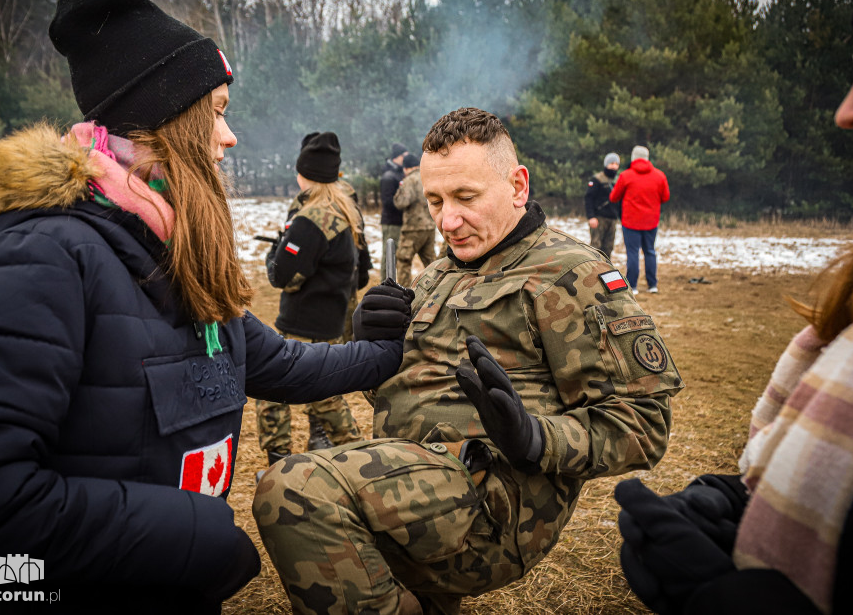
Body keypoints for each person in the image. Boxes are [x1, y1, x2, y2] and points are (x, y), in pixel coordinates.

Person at [0, 0, 407, 615]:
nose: (229, 139)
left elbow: (275, 363)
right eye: (218, 112)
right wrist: (181, 534)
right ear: (161, 121)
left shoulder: (169, 251)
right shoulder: (45, 253)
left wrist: (380, 348)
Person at [253, 106, 684, 614]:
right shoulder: (441, 271)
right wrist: (373, 347)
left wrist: (532, 435)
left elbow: (645, 425)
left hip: (492, 504)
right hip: (415, 477)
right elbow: (415, 387)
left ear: (518, 186)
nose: (447, 220)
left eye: (466, 197)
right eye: (435, 200)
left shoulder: (572, 277)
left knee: (296, 489)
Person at [614, 0, 853, 613]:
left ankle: (642, 280)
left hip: (629, 225)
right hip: (655, 224)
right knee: (650, 253)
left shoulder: (619, 182)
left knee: (632, 257)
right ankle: (653, 279)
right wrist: (741, 504)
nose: (848, 109)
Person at [256, 131, 366, 466]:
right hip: (330, 320)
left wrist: (275, 251)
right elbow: (359, 271)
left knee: (272, 392)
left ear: (304, 173)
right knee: (325, 397)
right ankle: (359, 456)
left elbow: (284, 277)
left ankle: (279, 464)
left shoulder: (310, 219)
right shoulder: (345, 209)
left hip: (303, 323)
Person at [610, 145, 669, 295]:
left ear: (633, 158)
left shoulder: (626, 176)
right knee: (649, 251)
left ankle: (633, 286)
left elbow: (614, 197)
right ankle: (652, 285)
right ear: (647, 158)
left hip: (630, 222)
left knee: (632, 252)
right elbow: (665, 197)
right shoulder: (659, 176)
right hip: (651, 221)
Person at [392, 150, 436, 286]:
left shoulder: (409, 180)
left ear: (407, 168)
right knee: (432, 264)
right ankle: (437, 290)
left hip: (413, 228)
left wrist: (398, 192)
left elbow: (401, 202)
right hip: (429, 226)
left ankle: (403, 294)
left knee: (403, 261)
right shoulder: (428, 177)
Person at [585, 152, 622, 259]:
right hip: (599, 218)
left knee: (608, 248)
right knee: (595, 248)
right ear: (606, 164)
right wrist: (591, 216)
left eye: (616, 164)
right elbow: (589, 198)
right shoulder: (597, 179)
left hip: (612, 219)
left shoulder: (618, 180)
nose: (614, 166)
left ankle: (606, 271)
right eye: (611, 163)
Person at [380, 141, 407, 273]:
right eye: (404, 156)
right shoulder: (388, 177)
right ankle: (384, 285)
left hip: (400, 222)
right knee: (388, 255)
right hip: (391, 223)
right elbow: (387, 201)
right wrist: (404, 205)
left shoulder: (399, 173)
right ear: (397, 157)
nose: (406, 159)